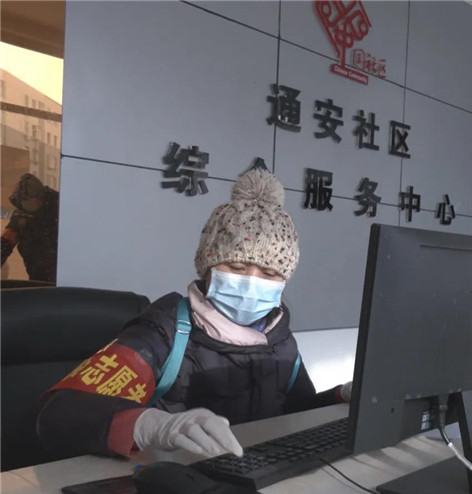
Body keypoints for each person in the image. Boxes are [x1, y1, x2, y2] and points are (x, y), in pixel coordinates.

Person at [37, 167, 352, 460]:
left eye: (269, 273)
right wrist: (151, 425)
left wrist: (342, 396)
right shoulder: (167, 329)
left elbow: (296, 414)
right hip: (176, 485)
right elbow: (58, 413)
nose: (251, 282)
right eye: (237, 267)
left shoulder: (279, 338)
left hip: (257, 483)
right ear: (208, 267)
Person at [1, 173, 59, 283]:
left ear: (40, 199)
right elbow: (6, 242)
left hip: (63, 280)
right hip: (37, 279)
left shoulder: (60, 210)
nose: (28, 210)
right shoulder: (21, 215)